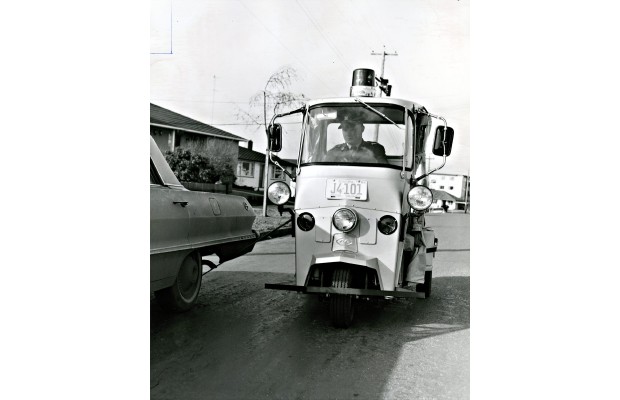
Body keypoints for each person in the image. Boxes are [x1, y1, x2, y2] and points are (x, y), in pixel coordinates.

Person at [323, 111, 387, 164]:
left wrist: (372, 160)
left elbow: (384, 172)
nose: (348, 133)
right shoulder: (334, 152)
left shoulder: (375, 150)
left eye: (353, 129)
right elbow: (324, 172)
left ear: (362, 129)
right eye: (345, 129)